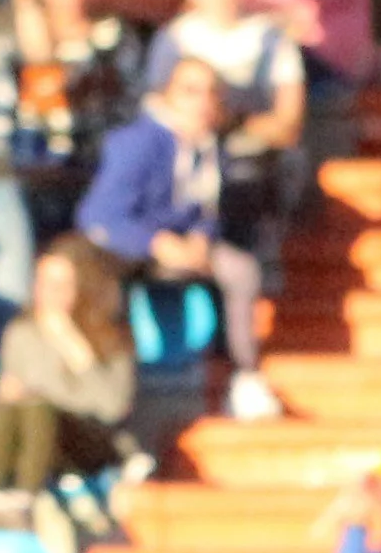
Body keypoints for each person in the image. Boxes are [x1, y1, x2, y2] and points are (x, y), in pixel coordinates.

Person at [75, 52, 285, 423]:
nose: (202, 103)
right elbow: (100, 215)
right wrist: (155, 243)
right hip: (128, 247)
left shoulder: (208, 148)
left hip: (183, 245)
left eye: (210, 93)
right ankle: (114, 399)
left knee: (242, 270)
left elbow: (206, 209)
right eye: (190, 91)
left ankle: (244, 374)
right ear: (168, 95)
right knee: (99, 280)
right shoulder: (139, 142)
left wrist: (201, 239)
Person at [0, 238, 141, 496]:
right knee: (13, 408)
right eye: (43, 283)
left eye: (60, 286)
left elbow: (112, 408)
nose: (49, 294)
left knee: (38, 406)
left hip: (92, 439)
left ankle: (25, 497)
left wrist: (77, 350)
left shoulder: (112, 338)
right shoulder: (21, 333)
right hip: (38, 439)